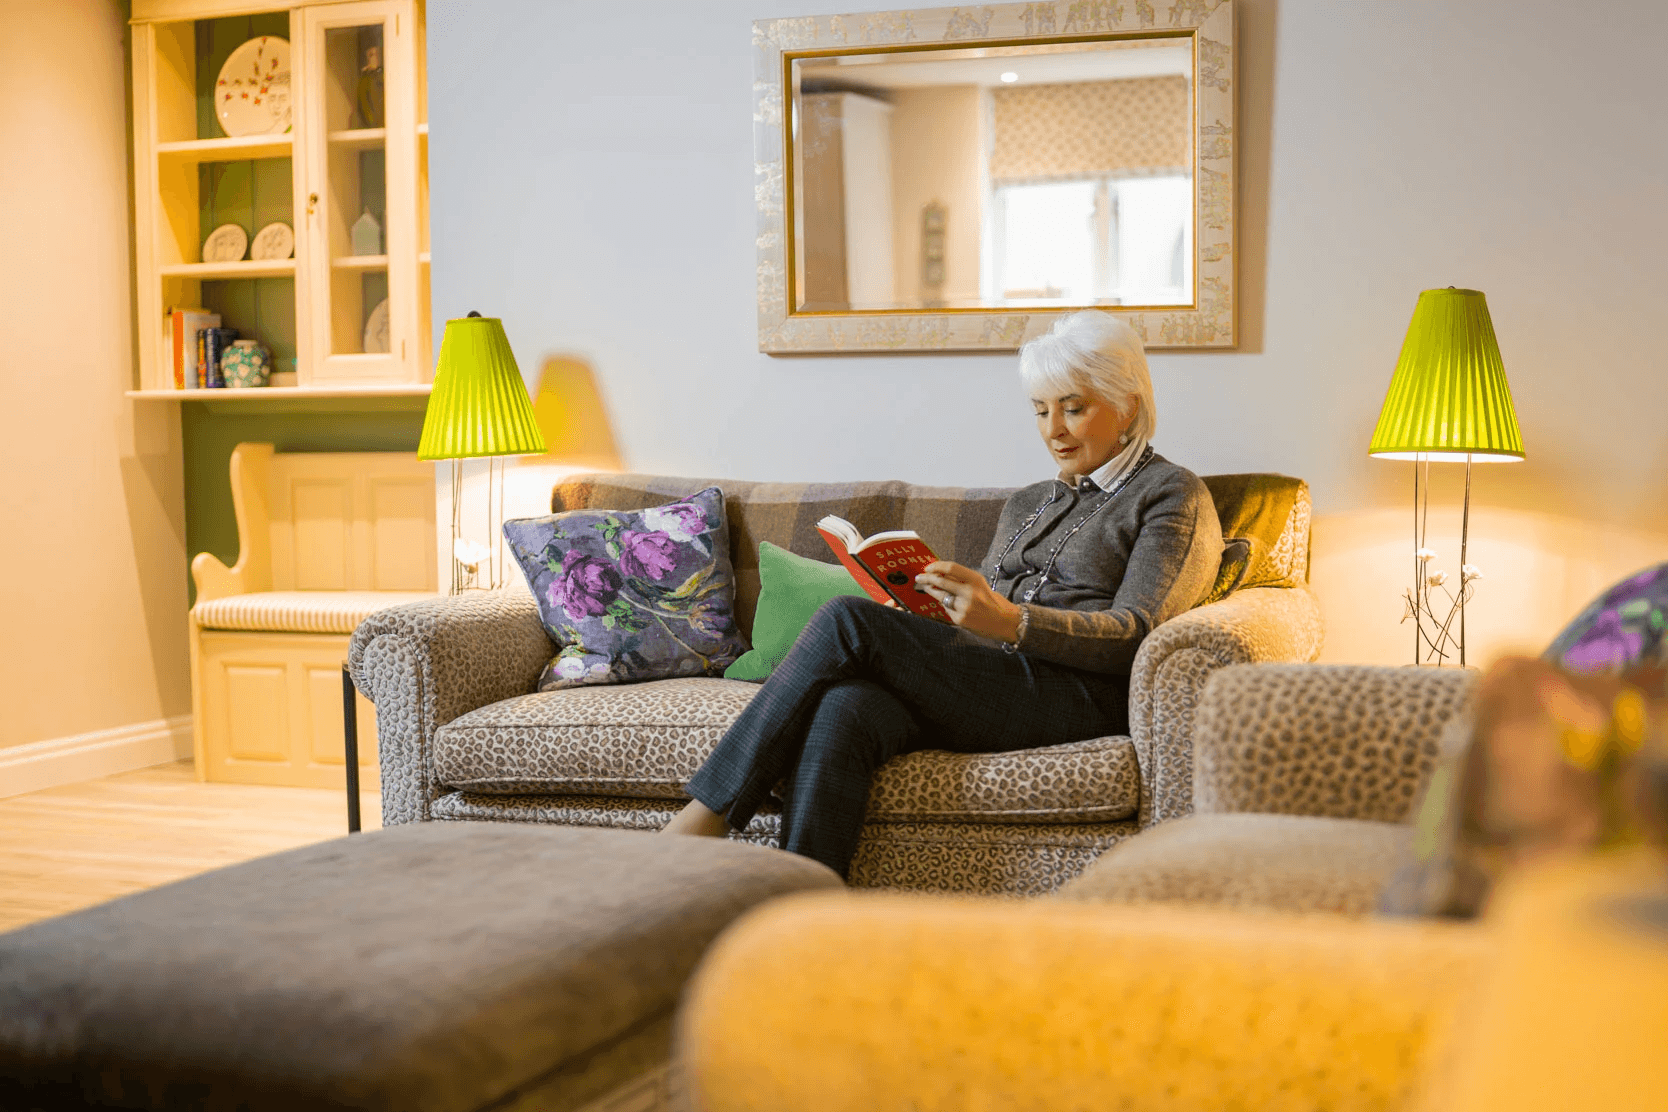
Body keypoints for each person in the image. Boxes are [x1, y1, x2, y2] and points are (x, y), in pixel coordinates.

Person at [662, 310, 1224, 877]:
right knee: (845, 707)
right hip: (985, 678)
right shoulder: (1029, 501)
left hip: (1076, 695)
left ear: (1127, 405)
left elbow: (1138, 632)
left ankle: (704, 816)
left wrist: (1011, 622)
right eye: (1041, 409)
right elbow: (979, 616)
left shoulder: (1171, 495)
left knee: (845, 621)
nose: (1054, 429)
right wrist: (922, 610)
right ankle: (801, 907)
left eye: (1074, 408)